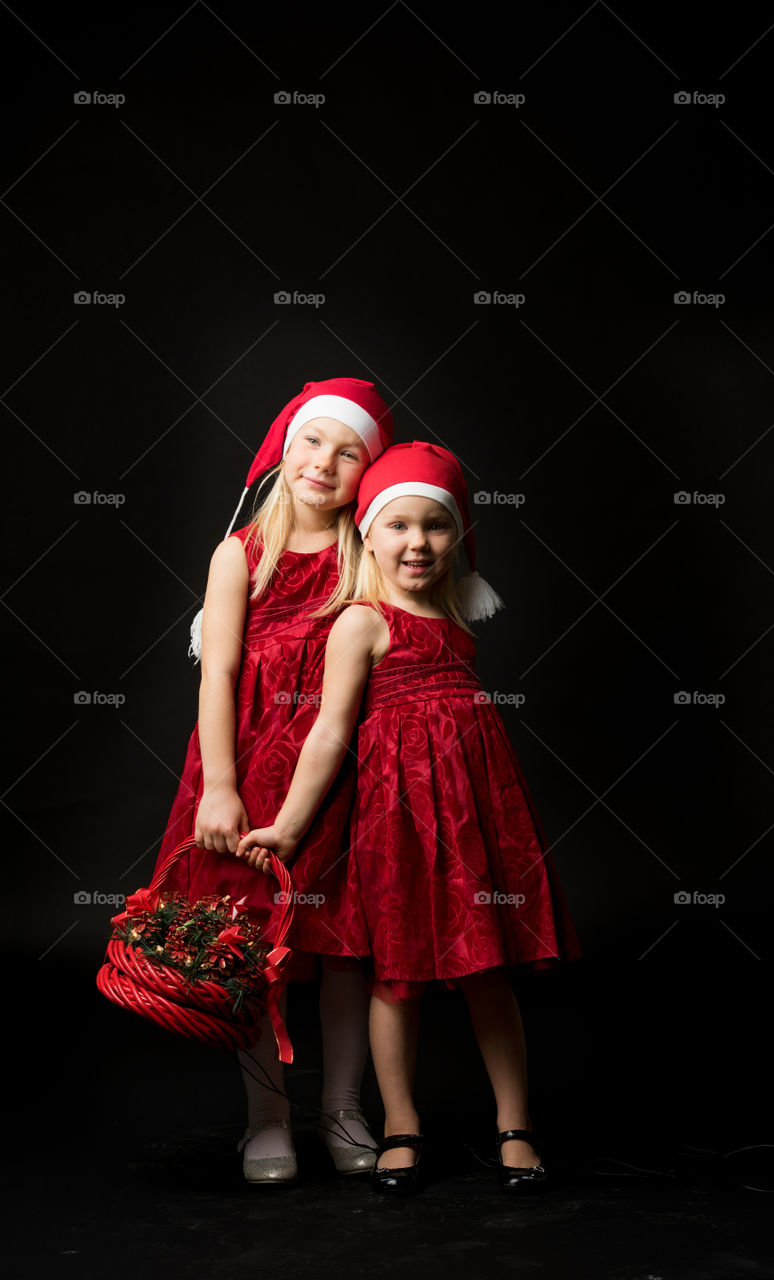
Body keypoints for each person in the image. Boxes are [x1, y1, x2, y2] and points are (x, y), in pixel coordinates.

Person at [236, 440, 582, 1195]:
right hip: (396, 825)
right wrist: (290, 826)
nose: (416, 542)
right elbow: (329, 732)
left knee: (488, 971)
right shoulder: (359, 622)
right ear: (366, 533)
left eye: (434, 526)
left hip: (471, 817)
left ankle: (514, 1124)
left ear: (457, 537)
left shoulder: (456, 617)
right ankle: (399, 1123)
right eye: (397, 526)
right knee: (394, 977)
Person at [152, 377, 395, 1184]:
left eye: (348, 450)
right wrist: (219, 785)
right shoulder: (240, 556)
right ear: (283, 448)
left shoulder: (368, 556)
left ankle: (341, 1106)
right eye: (311, 440)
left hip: (340, 777)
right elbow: (215, 675)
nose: (323, 462)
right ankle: (267, 1116)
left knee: (343, 950)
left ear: (369, 469)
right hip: (246, 771)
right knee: (254, 946)